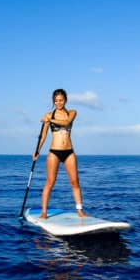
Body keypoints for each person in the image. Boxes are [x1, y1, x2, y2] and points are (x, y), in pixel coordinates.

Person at [32, 89, 89, 219]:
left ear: (65, 100)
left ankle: (80, 211)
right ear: (53, 101)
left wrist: (50, 120)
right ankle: (44, 212)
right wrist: (37, 151)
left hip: (69, 152)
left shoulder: (72, 113)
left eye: (61, 100)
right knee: (50, 182)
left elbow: (66, 123)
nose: (58, 103)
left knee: (75, 182)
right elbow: (43, 136)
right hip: (54, 152)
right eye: (56, 100)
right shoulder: (49, 114)